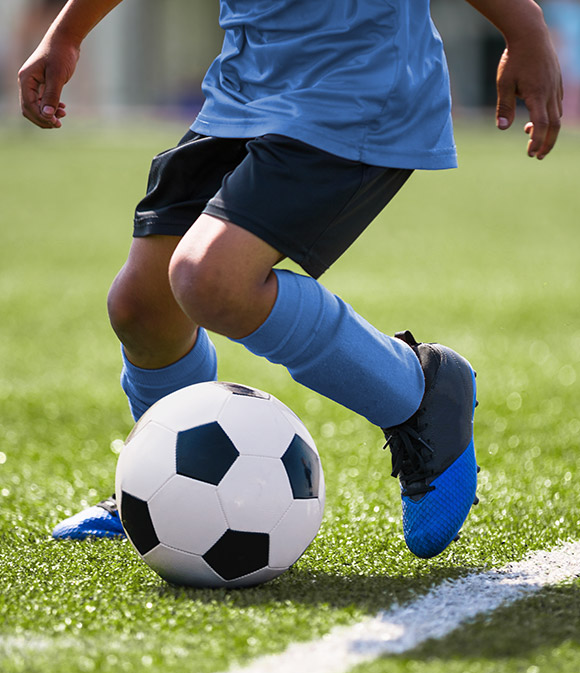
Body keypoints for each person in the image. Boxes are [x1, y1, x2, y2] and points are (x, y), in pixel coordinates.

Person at [18, 0, 562, 559]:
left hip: (359, 88)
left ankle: (420, 393)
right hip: (244, 90)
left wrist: (524, 28)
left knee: (211, 280)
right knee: (141, 306)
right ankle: (165, 484)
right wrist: (68, 33)